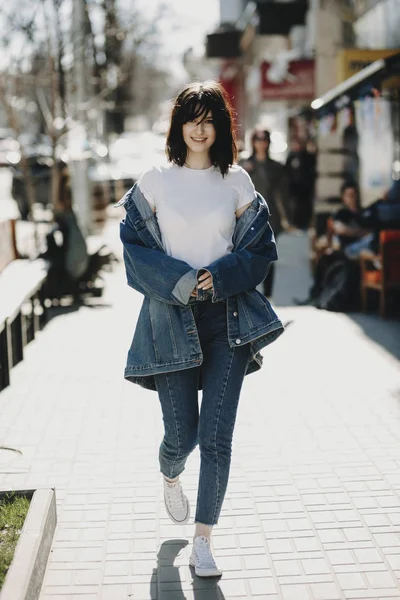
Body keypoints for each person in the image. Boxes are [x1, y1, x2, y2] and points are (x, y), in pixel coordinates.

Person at [117, 82, 284, 578]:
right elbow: (133, 248)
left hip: (226, 320)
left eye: (208, 118)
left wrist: (221, 275)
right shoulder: (154, 180)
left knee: (216, 437)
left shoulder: (236, 182)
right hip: (169, 319)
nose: (199, 126)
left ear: (220, 127)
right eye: (191, 117)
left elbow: (259, 250)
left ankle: (204, 542)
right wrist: (181, 280)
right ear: (178, 124)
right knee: (183, 436)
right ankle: (170, 471)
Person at [295, 181, 370, 309]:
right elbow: (340, 229)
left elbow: (369, 232)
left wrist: (354, 232)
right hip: (342, 250)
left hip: (358, 253)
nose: (352, 198)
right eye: (349, 195)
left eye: (354, 195)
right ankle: (315, 296)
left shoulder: (364, 213)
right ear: (344, 197)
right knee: (325, 259)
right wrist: (359, 233)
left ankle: (328, 299)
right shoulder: (341, 213)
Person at [240, 128, 291, 297]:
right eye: (258, 139)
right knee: (248, 254)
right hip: (249, 217)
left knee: (268, 255)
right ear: (253, 142)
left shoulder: (276, 167)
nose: (261, 142)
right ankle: (250, 293)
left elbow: (283, 194)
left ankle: (268, 295)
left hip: (270, 216)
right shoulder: (244, 165)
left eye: (264, 139)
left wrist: (286, 218)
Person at [286, 138, 316, 230]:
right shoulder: (291, 157)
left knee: (305, 210)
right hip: (294, 191)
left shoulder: (308, 156)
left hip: (306, 191)